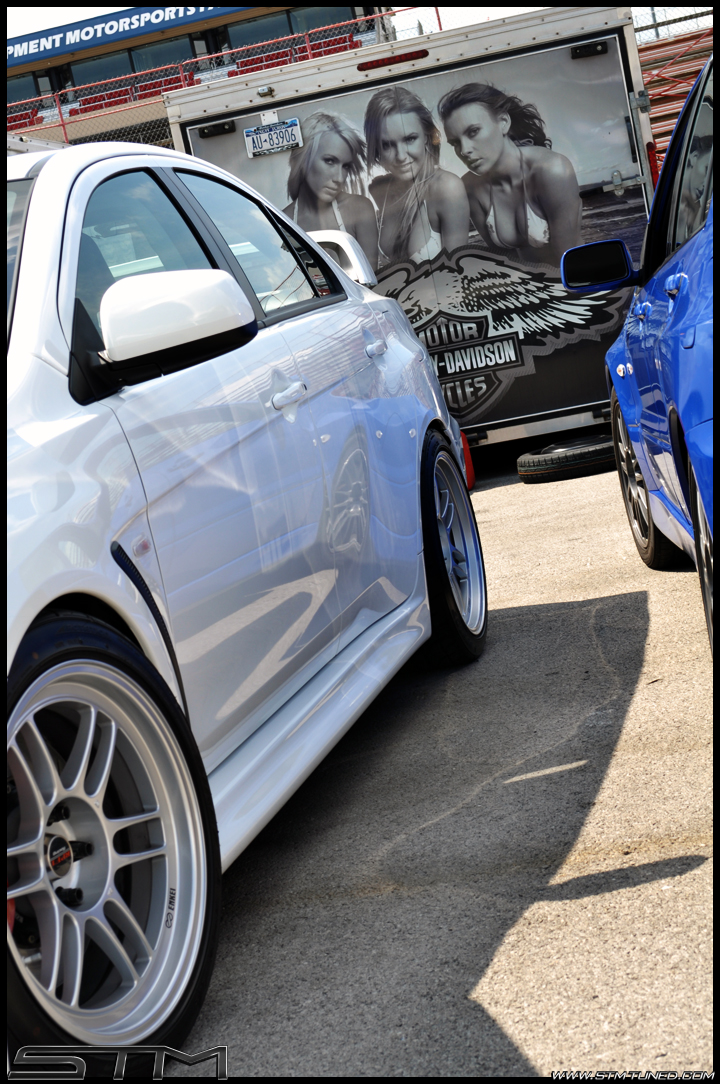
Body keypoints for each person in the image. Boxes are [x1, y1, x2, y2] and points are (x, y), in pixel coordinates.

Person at [438, 83, 581, 267]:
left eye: (473, 132)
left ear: (503, 122)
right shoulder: (470, 187)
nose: (464, 150)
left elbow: (568, 260)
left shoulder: (552, 169)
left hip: (572, 277)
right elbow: (503, 262)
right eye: (455, 143)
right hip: (525, 282)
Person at [364, 86, 469, 266]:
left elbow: (459, 272)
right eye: (387, 145)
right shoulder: (380, 191)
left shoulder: (446, 187)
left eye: (410, 139)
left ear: (427, 137)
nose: (401, 156)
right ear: (377, 148)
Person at [283, 112, 379, 271]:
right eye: (330, 161)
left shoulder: (358, 208)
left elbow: (371, 278)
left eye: (345, 166)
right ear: (303, 159)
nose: (339, 178)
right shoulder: (283, 222)